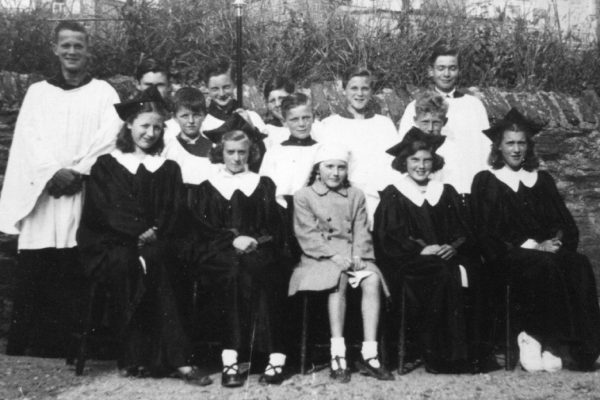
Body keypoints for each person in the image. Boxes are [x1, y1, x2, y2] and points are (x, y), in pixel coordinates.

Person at [0, 21, 122, 357]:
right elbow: (28, 139)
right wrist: (53, 172)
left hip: (82, 190)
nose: (71, 52)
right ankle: (34, 344)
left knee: (78, 258)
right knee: (41, 259)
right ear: (55, 49)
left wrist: (79, 172)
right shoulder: (38, 92)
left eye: (78, 46)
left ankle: (77, 345)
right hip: (45, 192)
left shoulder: (104, 93)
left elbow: (109, 137)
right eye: (65, 45)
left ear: (88, 51)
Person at [76, 87, 211, 385]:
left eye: (157, 127)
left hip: (157, 241)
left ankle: (172, 359)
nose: (150, 133)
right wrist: (137, 232)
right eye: (144, 126)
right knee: (129, 263)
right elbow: (105, 210)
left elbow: (173, 212)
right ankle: (139, 355)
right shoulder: (107, 166)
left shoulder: (167, 168)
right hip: (111, 243)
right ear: (129, 125)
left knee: (159, 260)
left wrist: (152, 233)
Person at [471, 108, 600, 372]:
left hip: (544, 253)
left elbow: (564, 223)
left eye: (522, 143)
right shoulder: (487, 181)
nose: (516, 149)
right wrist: (533, 246)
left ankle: (578, 349)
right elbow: (487, 233)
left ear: (529, 146)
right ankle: (536, 338)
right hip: (507, 256)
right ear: (498, 147)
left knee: (578, 263)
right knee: (544, 265)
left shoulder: (542, 180)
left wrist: (556, 242)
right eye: (510, 143)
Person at [373, 127, 484, 373]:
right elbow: (388, 238)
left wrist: (452, 247)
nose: (421, 166)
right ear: (404, 162)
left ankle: (468, 353)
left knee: (471, 270)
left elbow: (463, 229)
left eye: (426, 160)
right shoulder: (393, 194)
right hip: (409, 263)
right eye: (414, 160)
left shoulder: (446, 192)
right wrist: (419, 250)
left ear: (434, 162)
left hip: (446, 258)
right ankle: (440, 355)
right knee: (441, 273)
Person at [184, 127, 287, 387]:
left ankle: (276, 355)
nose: (237, 158)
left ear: (250, 153)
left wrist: (255, 241)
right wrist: (232, 239)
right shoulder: (207, 188)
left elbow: (274, 227)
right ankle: (230, 355)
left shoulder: (263, 184)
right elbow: (203, 229)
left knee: (263, 270)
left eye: (242, 152)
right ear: (221, 152)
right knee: (232, 271)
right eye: (231, 152)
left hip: (258, 248)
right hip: (219, 251)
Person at [289, 143, 393, 383]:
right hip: (318, 259)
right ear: (318, 169)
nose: (335, 173)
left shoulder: (355, 194)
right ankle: (338, 353)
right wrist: (335, 256)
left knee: (372, 279)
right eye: (329, 167)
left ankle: (370, 353)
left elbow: (361, 228)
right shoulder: (304, 196)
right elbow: (307, 234)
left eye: (341, 168)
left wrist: (358, 254)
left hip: (353, 256)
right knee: (339, 279)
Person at [397, 44, 490, 196]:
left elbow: (486, 149)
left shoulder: (474, 106)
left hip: (466, 186)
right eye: (441, 68)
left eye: (452, 68)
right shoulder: (416, 106)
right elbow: (405, 151)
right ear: (430, 71)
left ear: (458, 70)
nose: (446, 74)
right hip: (431, 188)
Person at [317, 67, 398, 225]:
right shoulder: (330, 124)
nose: (359, 94)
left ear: (371, 91)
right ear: (344, 90)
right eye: (354, 88)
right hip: (347, 200)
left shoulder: (384, 124)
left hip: (382, 199)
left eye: (364, 88)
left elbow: (395, 165)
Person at [162, 87, 215, 184]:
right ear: (175, 117)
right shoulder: (168, 148)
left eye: (196, 115)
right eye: (185, 116)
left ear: (204, 116)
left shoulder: (213, 148)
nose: (191, 121)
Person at [201, 59, 266, 134]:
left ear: (234, 85)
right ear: (207, 89)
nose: (222, 94)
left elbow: (267, 144)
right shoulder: (205, 125)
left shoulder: (252, 116)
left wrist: (251, 128)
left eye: (226, 87)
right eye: (215, 89)